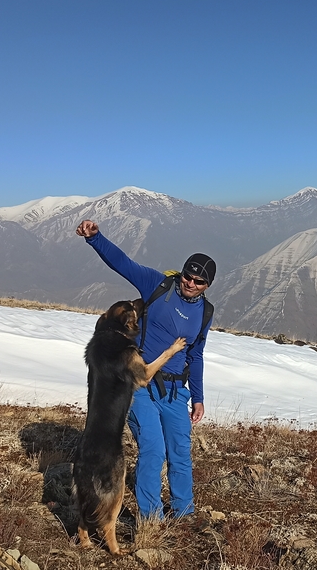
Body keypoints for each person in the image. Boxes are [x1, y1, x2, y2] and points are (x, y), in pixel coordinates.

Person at [76, 219, 215, 520]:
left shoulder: (204, 312)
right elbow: (123, 263)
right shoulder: (158, 285)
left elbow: (197, 355)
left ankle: (184, 512)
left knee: (180, 453)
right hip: (140, 386)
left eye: (198, 281)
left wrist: (199, 397)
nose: (190, 283)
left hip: (176, 391)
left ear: (207, 286)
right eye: (188, 275)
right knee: (153, 449)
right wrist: (95, 238)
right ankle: (152, 519)